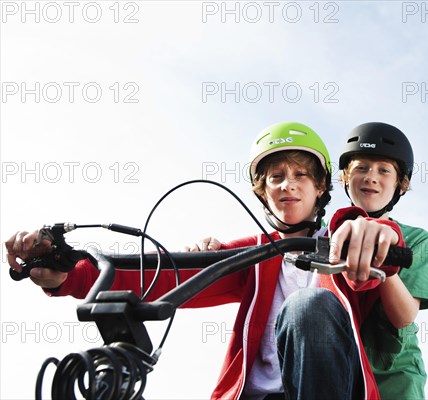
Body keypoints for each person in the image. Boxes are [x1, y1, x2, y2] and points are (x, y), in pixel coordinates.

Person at [6, 122, 407, 400]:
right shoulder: (253, 253)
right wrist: (69, 273)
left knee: (309, 304)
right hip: (251, 394)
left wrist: (375, 234)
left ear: (321, 187)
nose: (288, 183)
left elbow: (370, 256)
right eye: (275, 176)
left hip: (331, 387)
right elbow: (160, 276)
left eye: (301, 175)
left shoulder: (340, 238)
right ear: (261, 191)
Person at [338, 122, 428, 400]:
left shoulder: (414, 239)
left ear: (400, 184)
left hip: (393, 376)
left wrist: (387, 268)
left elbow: (404, 316)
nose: (371, 177)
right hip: (337, 364)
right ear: (346, 177)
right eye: (361, 168)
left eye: (384, 170)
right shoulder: (325, 233)